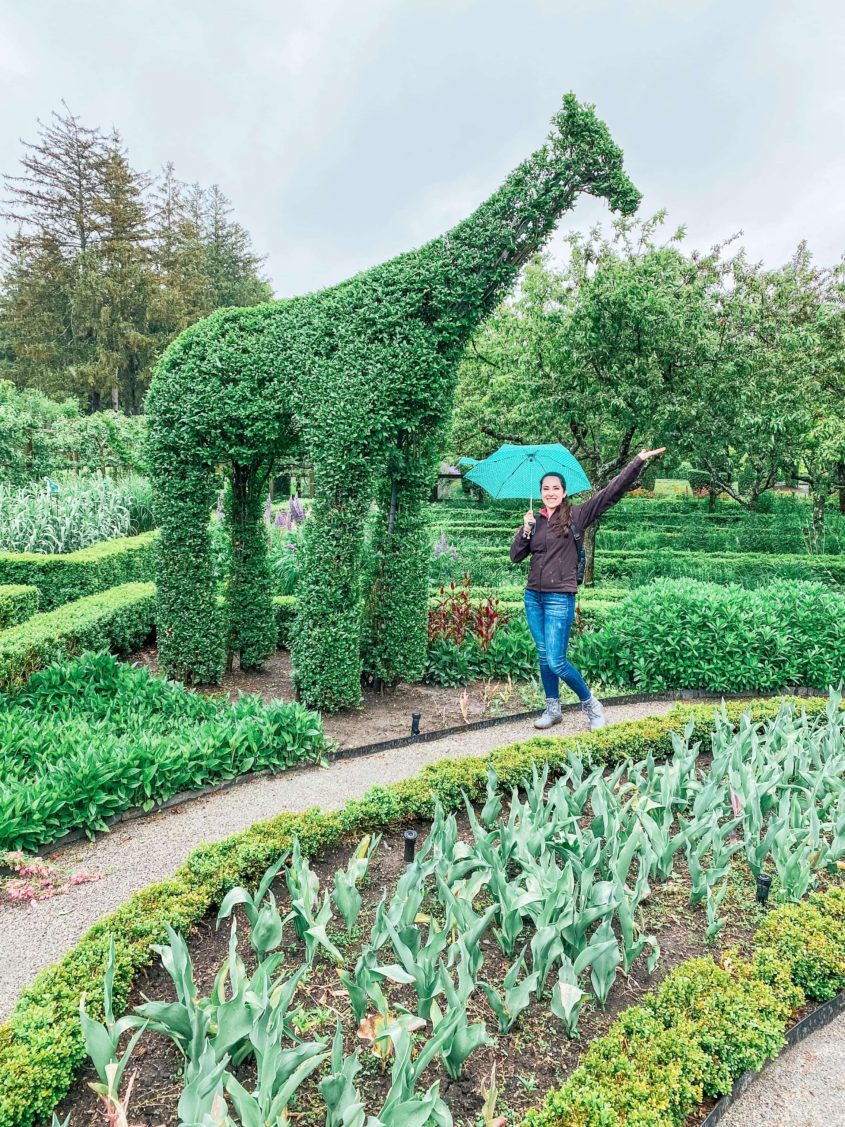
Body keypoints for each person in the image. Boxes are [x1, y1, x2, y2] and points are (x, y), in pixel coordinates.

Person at [510, 448, 666, 731]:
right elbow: (515, 556)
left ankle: (591, 705)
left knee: (557, 661)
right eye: (545, 488)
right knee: (544, 656)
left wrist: (637, 462)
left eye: (555, 488)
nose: (550, 492)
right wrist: (525, 530)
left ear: (564, 491)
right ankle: (552, 708)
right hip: (533, 597)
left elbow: (610, 493)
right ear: (541, 492)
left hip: (560, 597)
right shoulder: (534, 521)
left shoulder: (577, 515)